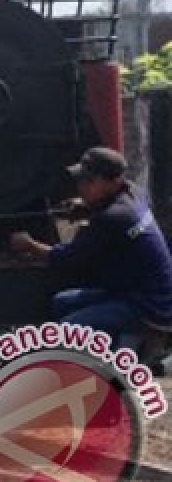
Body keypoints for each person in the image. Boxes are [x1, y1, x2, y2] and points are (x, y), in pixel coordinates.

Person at [9, 146, 172, 348]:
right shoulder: (134, 193)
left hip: (147, 306)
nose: (81, 187)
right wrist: (86, 208)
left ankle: (109, 367)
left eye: (89, 181)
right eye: (81, 180)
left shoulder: (113, 218)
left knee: (66, 330)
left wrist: (30, 245)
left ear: (113, 182)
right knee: (62, 301)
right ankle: (103, 348)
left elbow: (69, 258)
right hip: (133, 289)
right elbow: (113, 209)